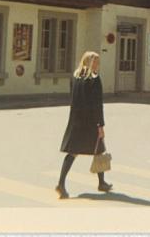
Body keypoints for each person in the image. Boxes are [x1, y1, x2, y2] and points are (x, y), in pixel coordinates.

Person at [55, 51, 112, 199]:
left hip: (76, 120)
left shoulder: (75, 77)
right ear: (89, 62)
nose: (98, 65)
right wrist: (101, 125)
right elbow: (98, 104)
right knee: (99, 149)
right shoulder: (94, 79)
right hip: (91, 121)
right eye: (96, 62)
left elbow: (71, 97)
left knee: (73, 151)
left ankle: (61, 183)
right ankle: (101, 182)